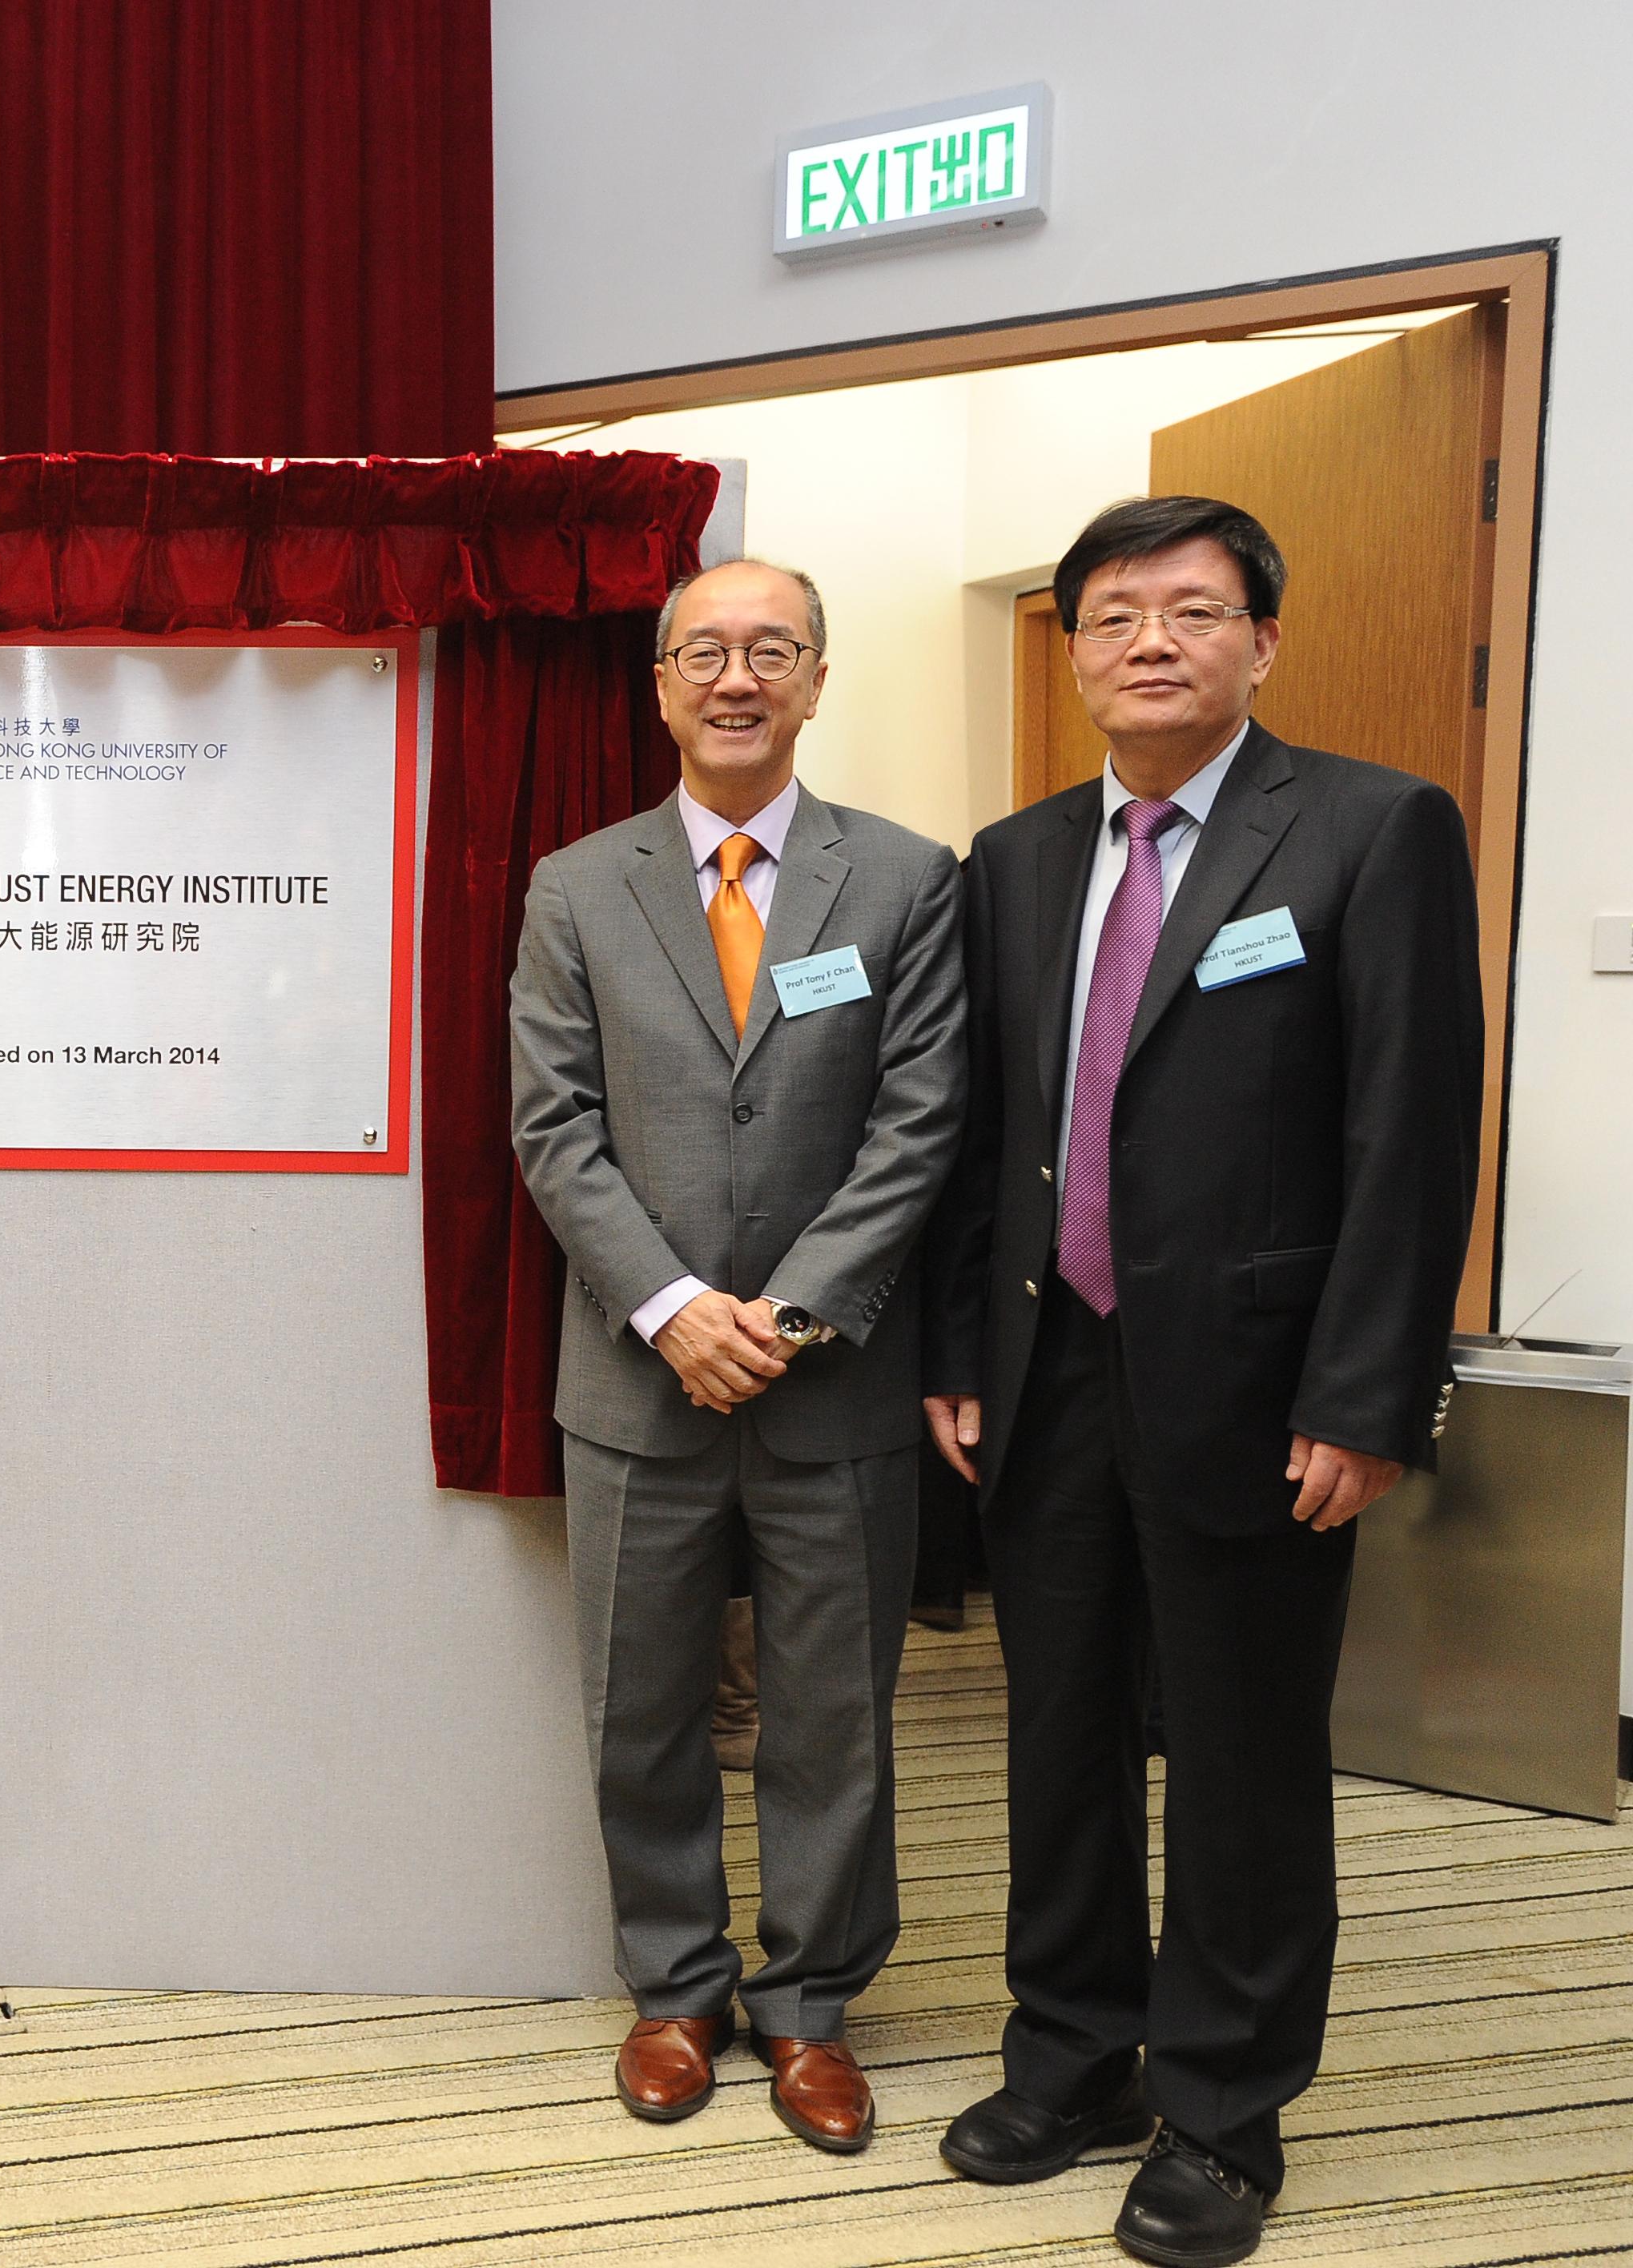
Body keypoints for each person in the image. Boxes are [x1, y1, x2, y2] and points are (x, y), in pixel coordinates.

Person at [924, 497, 1481, 2268]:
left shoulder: (1371, 830)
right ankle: (1074, 2053)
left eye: (1190, 610)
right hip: (1043, 1362)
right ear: (1072, 649)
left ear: (1261, 642)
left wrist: (1368, 1392)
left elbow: (1409, 1130)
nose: (1148, 641)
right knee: (1057, 1735)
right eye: (1110, 615)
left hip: (1259, 1384)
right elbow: (975, 1139)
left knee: (1240, 1752)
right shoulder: (1008, 860)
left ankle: (1224, 2114)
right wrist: (955, 1352)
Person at [509, 558, 966, 2157]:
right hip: (637, 1380)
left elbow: (923, 1122)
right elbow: (552, 1123)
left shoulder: (906, 880)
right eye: (704, 648)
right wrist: (672, 1308)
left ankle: (811, 2008)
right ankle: (676, 1989)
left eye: (771, 647)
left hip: (828, 1377)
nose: (736, 674)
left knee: (832, 1712)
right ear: (658, 685)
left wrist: (787, 1311)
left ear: (817, 680)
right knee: (640, 1709)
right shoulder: (578, 884)